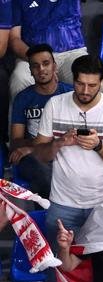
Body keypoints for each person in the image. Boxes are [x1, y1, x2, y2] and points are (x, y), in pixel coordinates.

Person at [32, 57, 103, 282]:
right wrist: (59, 143)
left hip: (102, 206)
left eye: (92, 85)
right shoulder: (55, 104)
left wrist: (98, 146)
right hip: (63, 204)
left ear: (102, 83)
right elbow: (40, 153)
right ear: (72, 79)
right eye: (80, 84)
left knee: (99, 276)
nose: (85, 90)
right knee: (56, 274)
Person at [8, 44, 68, 196]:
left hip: (64, 152)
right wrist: (38, 148)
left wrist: (35, 146)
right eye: (35, 66)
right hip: (33, 158)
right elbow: (16, 141)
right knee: (42, 169)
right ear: (30, 71)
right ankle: (50, 208)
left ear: (54, 66)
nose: (41, 69)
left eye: (46, 63)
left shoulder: (69, 94)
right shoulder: (23, 98)